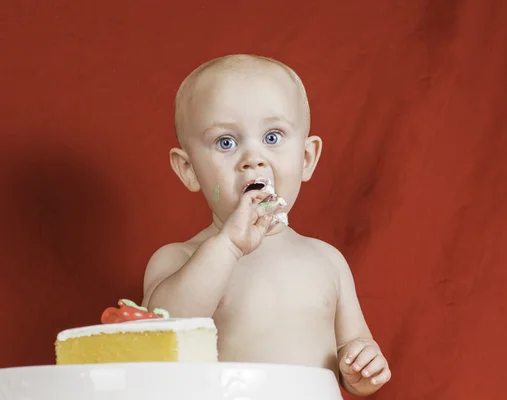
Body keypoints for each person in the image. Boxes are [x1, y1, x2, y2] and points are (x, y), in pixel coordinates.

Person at [141, 54, 391, 396]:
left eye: (272, 137)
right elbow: (160, 336)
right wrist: (228, 245)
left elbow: (354, 346)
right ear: (188, 169)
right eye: (226, 142)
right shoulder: (179, 260)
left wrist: (361, 364)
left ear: (306, 159)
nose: (253, 158)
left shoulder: (326, 261)